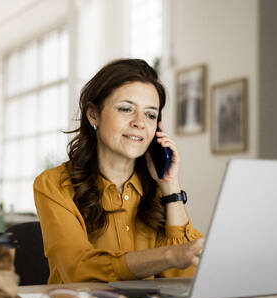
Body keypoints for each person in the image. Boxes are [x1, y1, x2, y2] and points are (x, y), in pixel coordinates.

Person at [34, 58, 204, 284]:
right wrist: (168, 256)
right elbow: (78, 270)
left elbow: (186, 277)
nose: (140, 123)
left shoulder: (157, 190)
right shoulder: (53, 184)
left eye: (151, 114)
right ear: (93, 114)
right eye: (126, 109)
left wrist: (171, 186)